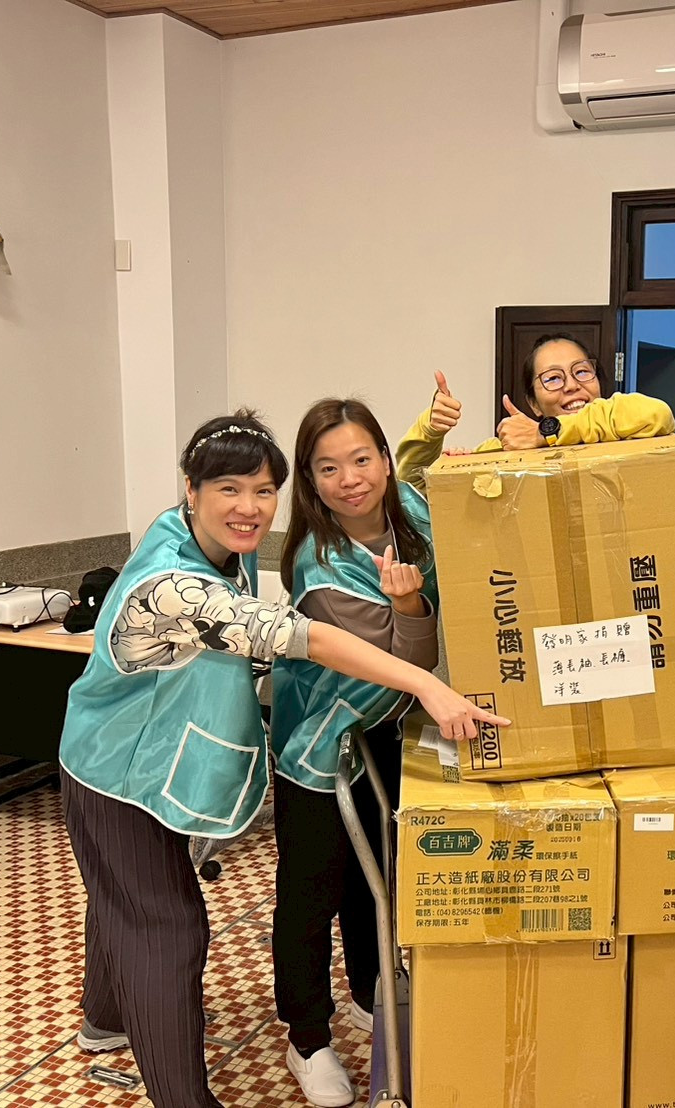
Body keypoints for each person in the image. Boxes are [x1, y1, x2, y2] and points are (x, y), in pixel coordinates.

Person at [58, 410, 506, 1108]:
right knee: (168, 929)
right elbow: (305, 637)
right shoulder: (175, 583)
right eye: (229, 489)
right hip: (113, 767)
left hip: (158, 753)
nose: (249, 508)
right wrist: (428, 685)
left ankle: (105, 1016)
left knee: (124, 896)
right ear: (190, 490)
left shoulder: (206, 537)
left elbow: (415, 479)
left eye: (263, 490)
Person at [268, 399, 439, 1105]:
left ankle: (371, 994)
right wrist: (411, 608)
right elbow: (404, 665)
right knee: (312, 892)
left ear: (385, 460)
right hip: (320, 744)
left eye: (361, 459)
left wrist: (440, 436)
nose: (350, 479)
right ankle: (307, 1038)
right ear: (310, 480)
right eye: (328, 468)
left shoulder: (411, 510)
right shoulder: (322, 568)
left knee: (377, 877)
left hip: (387, 732)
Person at [395, 333, 675, 491]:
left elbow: (659, 414)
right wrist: (431, 433)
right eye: (553, 378)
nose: (571, 385)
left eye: (581, 371)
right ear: (533, 403)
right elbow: (413, 490)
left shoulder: (625, 429)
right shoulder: (503, 452)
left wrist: (546, 433)